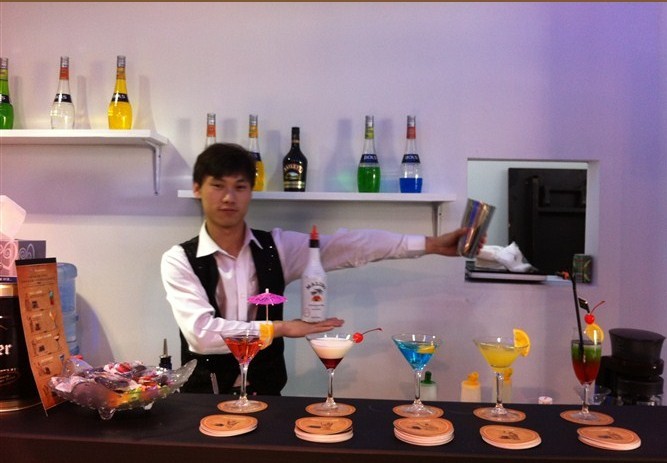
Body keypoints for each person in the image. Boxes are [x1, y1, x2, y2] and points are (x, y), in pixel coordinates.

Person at [161, 143, 475, 394]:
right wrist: (280, 328)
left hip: (267, 396)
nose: (229, 197)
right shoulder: (179, 259)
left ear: (251, 191)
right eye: (217, 186)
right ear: (197, 188)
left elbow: (353, 245)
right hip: (204, 399)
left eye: (240, 187)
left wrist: (431, 244)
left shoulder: (277, 247)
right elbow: (201, 335)